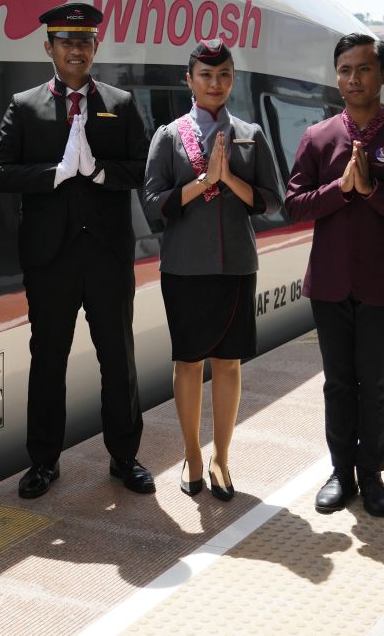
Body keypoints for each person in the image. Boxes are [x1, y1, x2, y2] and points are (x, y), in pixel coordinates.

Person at [0, 2, 154, 499]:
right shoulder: (25, 105)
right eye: (65, 42)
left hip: (106, 256)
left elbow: (144, 168)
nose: (75, 49)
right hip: (49, 259)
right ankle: (43, 462)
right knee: (48, 359)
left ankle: (125, 458)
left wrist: (99, 171)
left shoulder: (120, 103)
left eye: (84, 41)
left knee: (118, 358)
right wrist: (52, 175)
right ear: (49, 49)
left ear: (95, 47)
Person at [284, 33, 384, 517]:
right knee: (337, 383)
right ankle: (340, 472)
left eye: (364, 69)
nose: (353, 78)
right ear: (336, 76)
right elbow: (293, 205)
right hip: (330, 285)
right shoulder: (319, 137)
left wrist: (372, 191)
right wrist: (340, 189)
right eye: (345, 69)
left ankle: (371, 475)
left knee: (375, 384)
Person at [143, 39, 282, 500]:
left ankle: (222, 457)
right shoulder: (167, 136)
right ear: (189, 79)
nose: (215, 83)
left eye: (223, 74)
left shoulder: (250, 134)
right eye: (205, 74)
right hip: (183, 268)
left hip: (236, 265)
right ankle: (193, 454)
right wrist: (203, 182)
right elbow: (152, 205)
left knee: (228, 364)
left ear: (233, 79)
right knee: (187, 364)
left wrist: (230, 181)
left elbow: (270, 200)